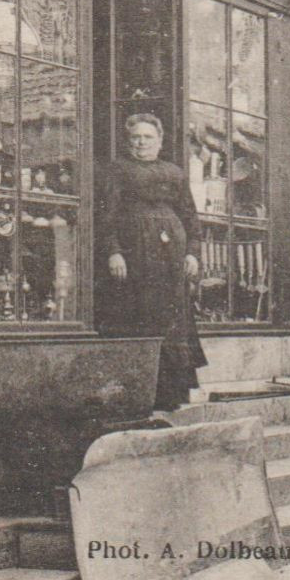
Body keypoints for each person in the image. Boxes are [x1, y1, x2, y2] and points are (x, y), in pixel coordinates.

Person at [98, 114, 206, 412]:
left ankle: (172, 395)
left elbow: (191, 218)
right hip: (136, 257)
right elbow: (106, 216)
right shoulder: (118, 171)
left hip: (171, 260)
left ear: (159, 141)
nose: (141, 142)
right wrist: (113, 251)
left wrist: (193, 253)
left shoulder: (174, 173)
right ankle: (140, 396)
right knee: (139, 315)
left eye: (147, 137)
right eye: (135, 137)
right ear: (128, 141)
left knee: (172, 321)